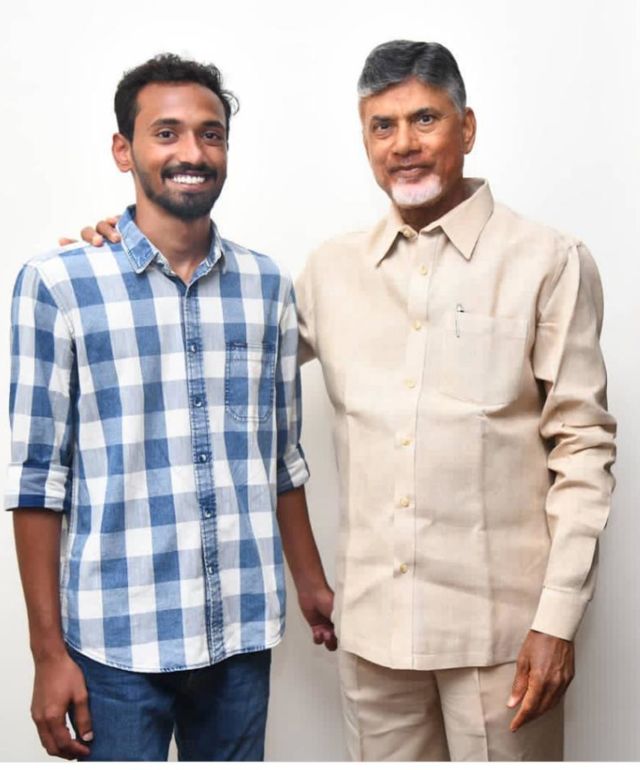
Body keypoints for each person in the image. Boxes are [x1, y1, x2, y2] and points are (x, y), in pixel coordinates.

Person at [77, 40, 617, 762]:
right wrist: (129, 249)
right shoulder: (330, 271)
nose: (404, 144)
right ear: (366, 140)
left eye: (425, 119)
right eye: (381, 126)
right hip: (371, 639)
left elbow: (584, 449)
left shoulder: (548, 261)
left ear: (467, 127)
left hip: (504, 639)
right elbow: (222, 338)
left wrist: (557, 619)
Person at [6, 53, 336, 763]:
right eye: (167, 133)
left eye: (210, 134)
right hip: (114, 643)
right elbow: (37, 481)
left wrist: (310, 582)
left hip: (241, 631)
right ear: (123, 149)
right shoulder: (57, 285)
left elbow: (281, 456)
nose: (193, 152)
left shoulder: (267, 286)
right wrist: (47, 653)